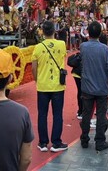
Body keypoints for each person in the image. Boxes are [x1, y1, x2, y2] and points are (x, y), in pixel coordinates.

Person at [31, 21, 68, 152]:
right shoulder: (62, 44)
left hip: (42, 85)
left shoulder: (37, 47)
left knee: (42, 114)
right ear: (54, 31)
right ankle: (56, 142)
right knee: (57, 114)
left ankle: (42, 143)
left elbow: (34, 68)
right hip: (58, 85)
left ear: (42, 31)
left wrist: (38, 80)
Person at [80, 21, 108, 151]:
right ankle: (100, 141)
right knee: (101, 115)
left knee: (86, 113)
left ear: (88, 32)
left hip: (87, 85)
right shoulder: (105, 49)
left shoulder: (83, 46)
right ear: (100, 33)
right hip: (101, 87)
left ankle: (84, 138)